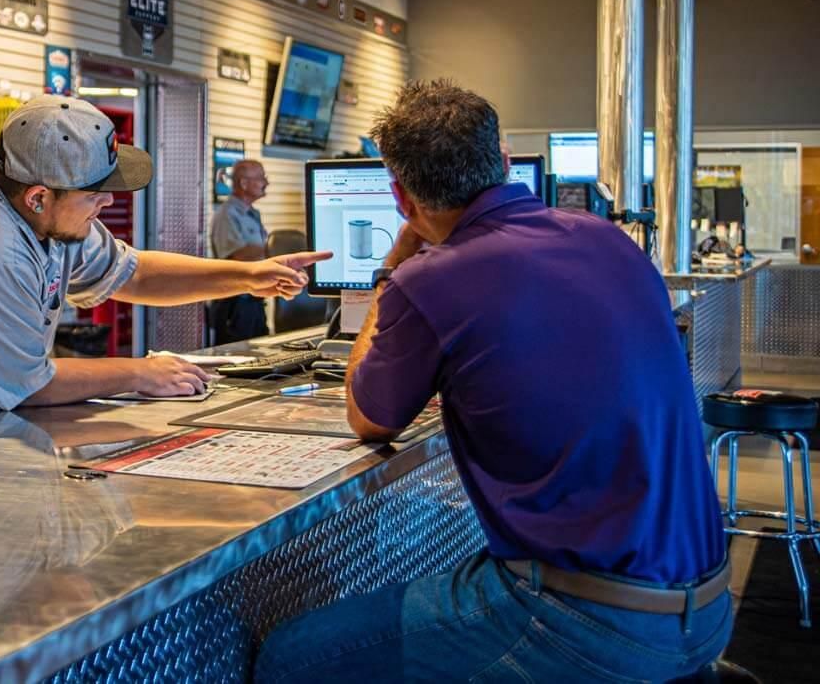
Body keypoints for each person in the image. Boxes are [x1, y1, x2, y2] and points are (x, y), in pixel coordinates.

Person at [255, 80, 731, 682]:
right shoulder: (608, 239)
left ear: (401, 198)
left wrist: (393, 269)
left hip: (587, 619)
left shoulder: (429, 279)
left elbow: (369, 417)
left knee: (293, 658)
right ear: (504, 164)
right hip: (709, 602)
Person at [0, 97, 331, 427]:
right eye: (95, 194)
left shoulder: (49, 221)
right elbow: (28, 386)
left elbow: (135, 272)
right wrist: (140, 372)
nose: (108, 203)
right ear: (38, 196)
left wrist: (247, 276)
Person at [208, 159, 270, 343]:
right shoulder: (227, 215)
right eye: (261, 178)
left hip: (253, 301)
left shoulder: (253, 214)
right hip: (235, 306)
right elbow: (236, 255)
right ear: (243, 183)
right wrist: (274, 250)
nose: (266, 183)